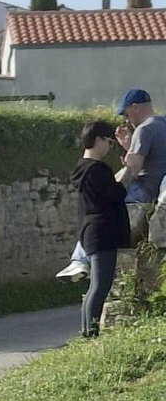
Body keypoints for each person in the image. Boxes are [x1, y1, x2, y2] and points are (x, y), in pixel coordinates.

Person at [57, 89, 166, 280]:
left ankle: (79, 260)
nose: (126, 120)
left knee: (98, 210)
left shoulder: (144, 129)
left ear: (135, 107)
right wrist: (129, 146)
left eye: (126, 114)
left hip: (143, 189)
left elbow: (133, 168)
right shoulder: (162, 124)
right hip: (158, 188)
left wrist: (113, 178)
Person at [70, 120, 131, 337]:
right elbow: (116, 194)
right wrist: (129, 170)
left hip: (90, 231)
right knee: (100, 286)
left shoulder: (82, 168)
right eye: (109, 142)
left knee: (94, 287)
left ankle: (86, 331)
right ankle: (91, 333)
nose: (109, 147)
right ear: (98, 140)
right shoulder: (97, 169)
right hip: (103, 232)